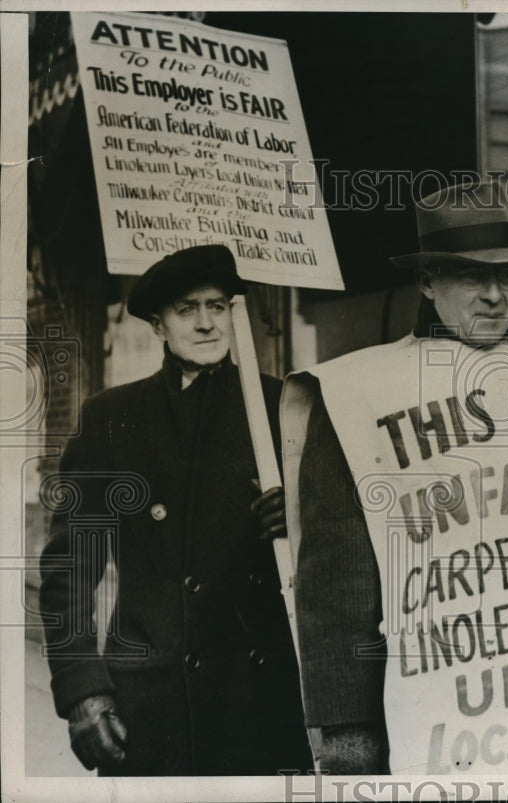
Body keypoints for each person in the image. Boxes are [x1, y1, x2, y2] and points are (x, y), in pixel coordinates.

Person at [281, 183, 508, 775]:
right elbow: (337, 577)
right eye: (472, 278)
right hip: (433, 714)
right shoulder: (359, 396)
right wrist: (347, 724)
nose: (496, 296)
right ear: (427, 284)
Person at [38, 244, 312, 776]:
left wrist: (304, 519)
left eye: (218, 306)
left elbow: (343, 550)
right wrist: (81, 690)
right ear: (159, 326)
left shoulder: (288, 409)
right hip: (152, 709)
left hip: (259, 707)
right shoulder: (111, 420)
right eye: (188, 309)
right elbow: (70, 571)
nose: (207, 323)